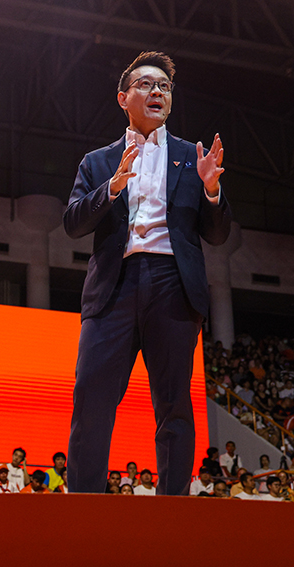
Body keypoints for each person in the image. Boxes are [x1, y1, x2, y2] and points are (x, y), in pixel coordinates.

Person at [64, 51, 231, 495]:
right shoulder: (97, 162)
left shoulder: (193, 158)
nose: (157, 91)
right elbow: (74, 223)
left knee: (174, 405)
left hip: (172, 286)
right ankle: (82, 507)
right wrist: (113, 186)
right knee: (92, 403)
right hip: (112, 289)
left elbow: (216, 236)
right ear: (123, 97)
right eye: (145, 84)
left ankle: (171, 509)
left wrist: (211, 190)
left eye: (165, 87)